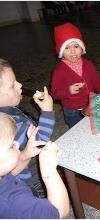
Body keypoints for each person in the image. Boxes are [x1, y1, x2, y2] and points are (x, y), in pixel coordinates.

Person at [0, 58, 55, 198]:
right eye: (12, 85)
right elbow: (39, 141)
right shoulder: (12, 126)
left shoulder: (7, 110)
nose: (20, 85)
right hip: (31, 177)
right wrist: (47, 112)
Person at [0, 112, 69, 218]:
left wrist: (26, 153)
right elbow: (60, 212)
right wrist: (49, 173)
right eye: (11, 146)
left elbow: (11, 173)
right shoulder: (15, 203)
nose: (17, 144)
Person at [51, 22, 100, 128]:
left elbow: (96, 80)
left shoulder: (88, 64)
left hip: (90, 105)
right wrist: (68, 91)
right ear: (61, 52)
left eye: (76, 46)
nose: (72, 51)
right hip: (72, 110)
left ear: (82, 48)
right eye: (67, 48)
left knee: (92, 126)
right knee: (77, 129)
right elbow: (55, 93)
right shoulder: (59, 71)